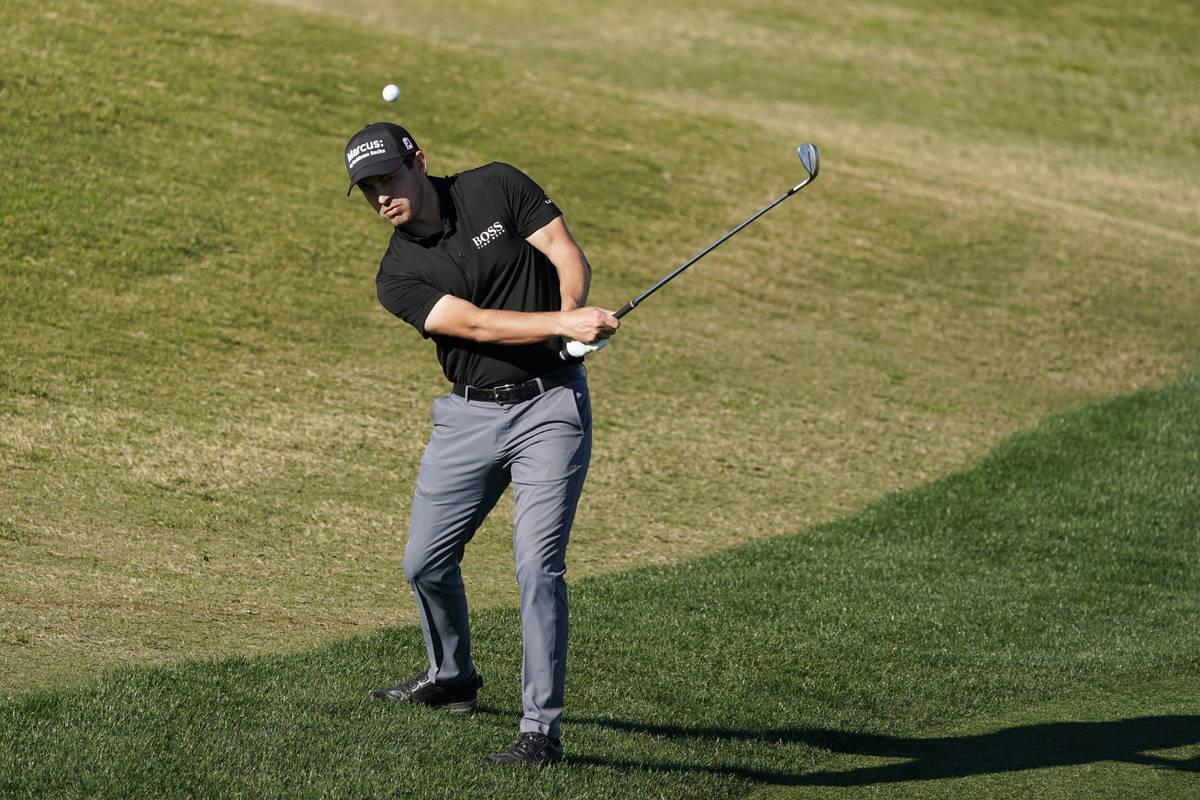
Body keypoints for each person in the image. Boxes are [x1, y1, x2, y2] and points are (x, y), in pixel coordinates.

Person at [343, 122, 619, 766]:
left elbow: (564, 251)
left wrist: (574, 316)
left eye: (388, 178)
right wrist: (560, 321)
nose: (381, 197)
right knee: (423, 562)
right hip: (467, 419)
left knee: (536, 566)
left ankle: (539, 731)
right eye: (367, 190)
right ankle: (453, 677)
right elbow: (471, 324)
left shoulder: (495, 185)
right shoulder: (398, 274)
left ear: (420, 162)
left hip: (550, 407)